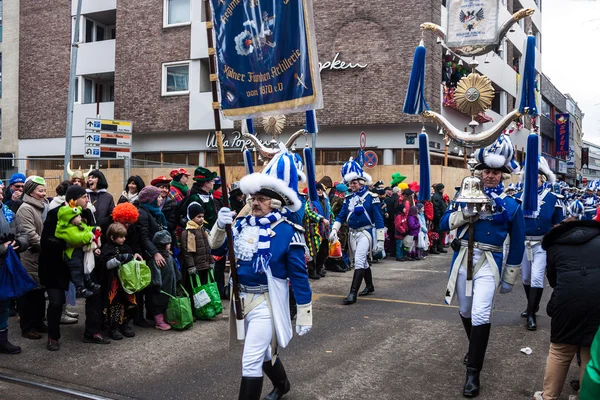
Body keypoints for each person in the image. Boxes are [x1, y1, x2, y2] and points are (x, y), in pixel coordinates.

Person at [208, 154, 312, 400]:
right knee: (263, 352)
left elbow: (299, 275)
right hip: (241, 300)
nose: (255, 203)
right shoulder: (241, 224)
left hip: (267, 302)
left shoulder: (288, 231)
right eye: (253, 198)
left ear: (275, 203)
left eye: (261, 199)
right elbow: (216, 249)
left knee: (251, 360)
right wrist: (220, 226)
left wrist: (305, 313)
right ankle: (282, 384)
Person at [440, 135, 525, 397]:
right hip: (464, 258)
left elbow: (519, 243)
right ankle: (474, 347)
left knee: (480, 314)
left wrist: (510, 276)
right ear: (480, 172)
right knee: (465, 311)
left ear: (503, 175)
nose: (490, 176)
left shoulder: (511, 205)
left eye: (495, 172)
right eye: (487, 171)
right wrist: (463, 214)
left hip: (490, 263)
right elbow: (442, 224)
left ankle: (473, 373)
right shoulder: (462, 195)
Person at [532, 212, 600, 400]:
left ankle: (549, 396)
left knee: (561, 350)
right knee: (589, 350)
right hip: (598, 297)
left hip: (568, 299)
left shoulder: (555, 246)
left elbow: (553, 280)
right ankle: (584, 394)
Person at [41, 185, 110, 350]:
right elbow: (46, 241)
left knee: (95, 292)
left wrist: (94, 244)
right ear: (73, 199)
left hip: (81, 263)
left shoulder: (86, 213)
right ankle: (53, 337)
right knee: (56, 302)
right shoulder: (55, 213)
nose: (88, 200)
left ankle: (92, 332)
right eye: (84, 197)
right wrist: (70, 242)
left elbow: (91, 233)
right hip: (56, 265)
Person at [516, 158, 564, 331]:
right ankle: (532, 305)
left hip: (542, 244)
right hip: (523, 243)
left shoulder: (552, 198)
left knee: (537, 277)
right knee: (526, 277)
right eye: (529, 178)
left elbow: (558, 224)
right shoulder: (517, 197)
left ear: (542, 179)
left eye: (536, 177)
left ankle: (531, 314)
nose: (532, 181)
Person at [330, 158, 384, 304]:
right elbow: (341, 216)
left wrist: (380, 239)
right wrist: (334, 229)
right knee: (362, 261)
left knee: (359, 260)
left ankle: (352, 294)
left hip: (366, 233)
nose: (352, 185)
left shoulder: (371, 198)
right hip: (352, 233)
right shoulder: (348, 199)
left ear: (362, 182)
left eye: (354, 182)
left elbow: (379, 220)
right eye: (350, 183)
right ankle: (370, 286)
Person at [15, 176, 49, 340]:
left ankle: (38, 322)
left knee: (39, 292)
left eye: (44, 190)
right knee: (29, 293)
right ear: (30, 192)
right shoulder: (26, 209)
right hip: (29, 256)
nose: (43, 194)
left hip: (41, 256)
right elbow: (30, 234)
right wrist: (48, 249)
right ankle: (27, 327)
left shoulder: (41, 207)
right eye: (40, 190)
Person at [0, 181, 29, 355]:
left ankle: (2, 340)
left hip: (6, 265)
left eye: (2, 191)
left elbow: (22, 233)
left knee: (4, 303)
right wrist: (3, 248)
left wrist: (19, 243)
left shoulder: (7, 211)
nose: (2, 195)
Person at [101, 222, 143, 340]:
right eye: (120, 237)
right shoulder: (107, 248)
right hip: (113, 282)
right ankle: (114, 328)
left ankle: (125, 325)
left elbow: (131, 260)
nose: (123, 239)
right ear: (112, 237)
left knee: (129, 303)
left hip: (127, 282)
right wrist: (119, 259)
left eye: (124, 236)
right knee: (114, 305)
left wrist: (133, 257)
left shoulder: (126, 247)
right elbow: (107, 264)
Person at [134, 186, 167, 327]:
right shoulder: (142, 213)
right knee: (153, 286)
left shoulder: (155, 213)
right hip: (148, 256)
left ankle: (152, 315)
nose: (160, 199)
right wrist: (155, 253)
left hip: (157, 253)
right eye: (158, 197)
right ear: (151, 199)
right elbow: (144, 237)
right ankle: (145, 318)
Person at [55, 205, 102, 298]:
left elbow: (86, 229)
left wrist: (93, 229)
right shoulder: (65, 229)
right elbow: (76, 238)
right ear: (70, 219)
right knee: (77, 270)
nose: (80, 217)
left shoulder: (78, 225)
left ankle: (89, 282)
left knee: (85, 267)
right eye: (77, 216)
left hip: (80, 251)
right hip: (72, 254)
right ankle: (80, 288)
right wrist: (90, 236)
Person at [180, 202, 213, 308]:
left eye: (202, 216)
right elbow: (188, 251)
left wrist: (211, 261)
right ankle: (193, 309)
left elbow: (207, 248)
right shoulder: (189, 232)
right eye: (198, 217)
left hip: (204, 265)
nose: (201, 219)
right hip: (195, 266)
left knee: (203, 289)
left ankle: (202, 309)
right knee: (193, 289)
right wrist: (191, 266)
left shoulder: (202, 229)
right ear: (192, 217)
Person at [149, 230, 181, 330]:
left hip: (169, 285)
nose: (170, 245)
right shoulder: (157, 259)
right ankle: (159, 322)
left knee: (167, 302)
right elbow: (155, 272)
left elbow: (174, 269)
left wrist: (178, 278)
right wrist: (157, 284)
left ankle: (165, 319)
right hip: (161, 287)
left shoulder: (169, 256)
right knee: (158, 304)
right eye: (168, 244)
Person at [304, 183, 332, 280]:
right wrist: (321, 219)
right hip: (314, 230)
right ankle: (312, 271)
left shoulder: (326, 201)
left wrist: (334, 226)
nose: (320, 191)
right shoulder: (310, 201)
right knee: (313, 252)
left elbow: (330, 213)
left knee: (324, 251)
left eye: (321, 189)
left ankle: (319, 269)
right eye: (317, 189)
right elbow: (309, 212)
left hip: (326, 231)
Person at [432, 183, 448, 254]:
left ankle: (439, 247)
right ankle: (435, 247)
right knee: (437, 233)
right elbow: (436, 208)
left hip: (441, 216)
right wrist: (439, 217)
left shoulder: (439, 196)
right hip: (438, 218)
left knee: (440, 233)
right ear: (440, 189)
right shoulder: (436, 197)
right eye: (443, 188)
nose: (443, 189)